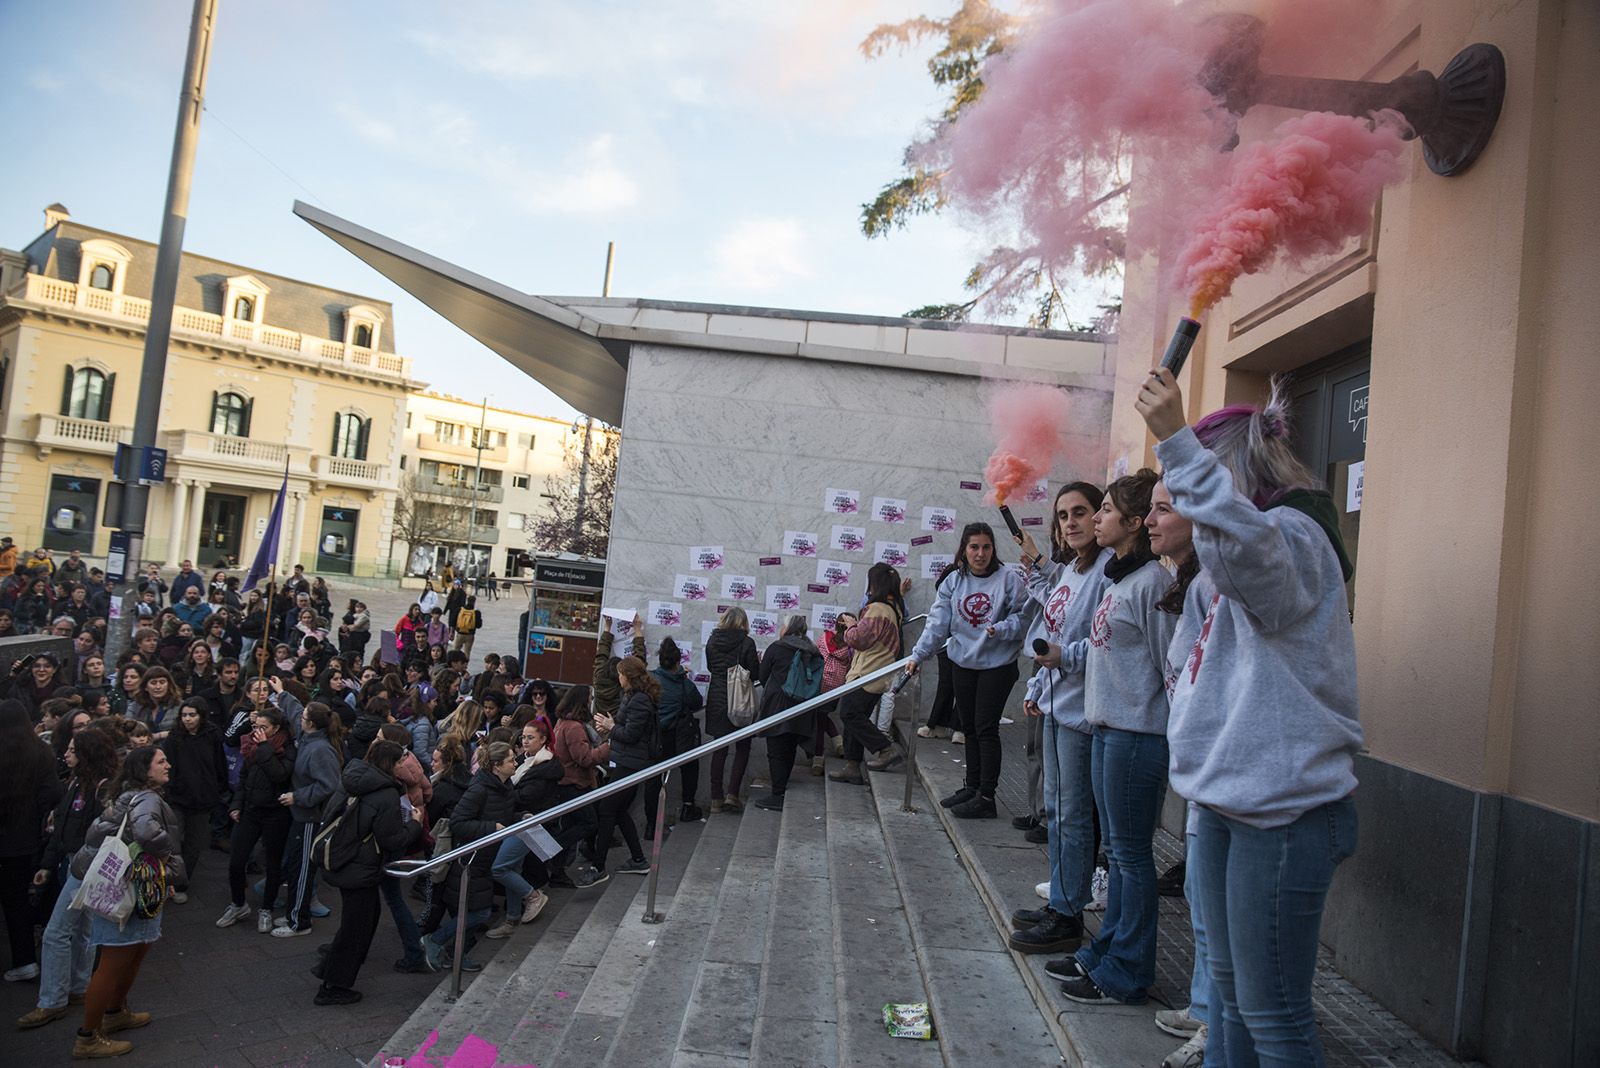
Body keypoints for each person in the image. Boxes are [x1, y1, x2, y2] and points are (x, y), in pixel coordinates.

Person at [1138, 371, 1361, 1066]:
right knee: (1230, 999)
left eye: (1201, 480)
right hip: (1229, 799)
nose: (1188, 509)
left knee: (1274, 1014)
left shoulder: (1291, 540)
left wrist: (1176, 439)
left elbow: (1246, 548)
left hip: (1283, 810)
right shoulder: (1236, 560)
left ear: (1230, 474)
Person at [1056, 469, 1175, 1008]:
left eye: (1104, 510)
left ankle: (1127, 970)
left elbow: (1169, 667)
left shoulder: (1152, 585)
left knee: (1130, 858)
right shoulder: (1120, 580)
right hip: (1108, 730)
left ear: (1132, 523)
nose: (1095, 518)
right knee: (1118, 854)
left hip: (1136, 737)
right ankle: (1106, 950)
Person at [1002, 482, 1112, 959]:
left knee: (1071, 815)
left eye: (1081, 512)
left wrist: (1062, 660)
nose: (1070, 522)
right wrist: (1034, 687)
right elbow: (1052, 619)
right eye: (1063, 514)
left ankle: (1067, 914)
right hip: (1054, 702)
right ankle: (1063, 902)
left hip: (1079, 710)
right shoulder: (1072, 569)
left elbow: (1101, 642)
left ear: (1102, 517)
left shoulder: (1108, 572)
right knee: (1058, 808)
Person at [68, 745, 184, 1059]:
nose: (168, 765)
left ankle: (115, 1012)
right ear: (144, 770)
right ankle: (88, 1037)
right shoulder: (146, 798)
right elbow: (148, 832)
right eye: (161, 761)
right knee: (113, 962)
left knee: (133, 951)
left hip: (130, 885)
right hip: (130, 888)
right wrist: (171, 862)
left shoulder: (128, 794)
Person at [907, 524, 1028, 818]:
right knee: (968, 727)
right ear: (964, 550)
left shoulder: (1009, 580)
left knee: (986, 728)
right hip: (962, 662)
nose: (980, 553)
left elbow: (1025, 618)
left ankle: (987, 796)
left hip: (997, 666)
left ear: (993, 550)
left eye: (986, 547)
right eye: (974, 547)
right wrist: (919, 654)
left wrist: (1000, 629)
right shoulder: (953, 581)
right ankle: (971, 786)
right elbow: (937, 622)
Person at [18, 727, 118, 1030]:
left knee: (56, 933)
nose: (66, 754)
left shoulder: (101, 789)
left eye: (73, 750)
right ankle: (77, 987)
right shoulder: (77, 783)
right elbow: (62, 827)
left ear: (86, 754)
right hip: (76, 863)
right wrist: (48, 864)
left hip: (86, 867)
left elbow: (97, 834)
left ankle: (51, 1001)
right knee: (83, 930)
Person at [315, 738, 425, 1005]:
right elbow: (392, 839)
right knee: (358, 927)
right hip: (360, 869)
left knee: (361, 919)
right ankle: (334, 986)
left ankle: (330, 968)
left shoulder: (353, 777)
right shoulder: (386, 794)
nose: (403, 765)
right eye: (399, 762)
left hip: (342, 861)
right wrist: (415, 825)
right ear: (388, 764)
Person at [424, 740, 516, 972]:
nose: (516, 763)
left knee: (473, 910)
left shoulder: (506, 786)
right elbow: (458, 822)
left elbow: (504, 816)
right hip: (472, 859)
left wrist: (521, 817)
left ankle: (455, 953)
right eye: (511, 760)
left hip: (485, 858)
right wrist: (490, 828)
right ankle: (435, 941)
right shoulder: (479, 789)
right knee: (479, 911)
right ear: (496, 765)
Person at [268, 684, 346, 938]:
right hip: (301, 817)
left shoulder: (320, 750)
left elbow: (328, 786)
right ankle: (294, 912)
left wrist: (297, 796)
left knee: (301, 871)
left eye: (303, 718)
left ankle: (299, 922)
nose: (298, 719)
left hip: (310, 818)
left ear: (310, 723)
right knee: (294, 866)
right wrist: (282, 693)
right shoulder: (309, 738)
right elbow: (294, 711)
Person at [216, 704, 296, 934]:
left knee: (272, 864)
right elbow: (244, 776)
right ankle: (238, 904)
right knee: (236, 861)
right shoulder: (251, 746)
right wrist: (236, 804)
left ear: (276, 728)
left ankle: (267, 909)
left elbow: (279, 774)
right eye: (255, 726)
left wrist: (263, 747)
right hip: (251, 810)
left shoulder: (286, 748)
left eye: (263, 727)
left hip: (275, 813)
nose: (257, 731)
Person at [0, 700, 63, 982]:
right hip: (26, 842)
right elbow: (51, 794)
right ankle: (25, 960)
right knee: (18, 902)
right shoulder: (41, 752)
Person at [829, 567, 907, 785]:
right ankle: (853, 766)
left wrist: (851, 625)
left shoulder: (877, 609)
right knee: (856, 716)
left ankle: (885, 749)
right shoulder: (894, 608)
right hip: (876, 672)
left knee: (849, 714)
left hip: (867, 672)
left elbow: (858, 640)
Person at [484, 721, 559, 939]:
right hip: (518, 821)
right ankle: (512, 919)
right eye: (523, 737)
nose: (525, 741)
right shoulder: (526, 761)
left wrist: (505, 795)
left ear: (543, 740)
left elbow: (526, 796)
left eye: (530, 738)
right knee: (511, 868)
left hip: (528, 823)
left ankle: (533, 896)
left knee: (500, 868)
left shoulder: (544, 765)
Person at [589, 657, 659, 875]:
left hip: (631, 763)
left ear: (628, 676)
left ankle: (598, 866)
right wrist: (610, 727)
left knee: (608, 809)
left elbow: (631, 734)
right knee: (618, 811)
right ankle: (638, 859)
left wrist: (611, 726)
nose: (618, 678)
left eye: (620, 674)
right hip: (626, 759)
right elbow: (625, 728)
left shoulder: (639, 700)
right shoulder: (632, 696)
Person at [752, 616, 823, 812]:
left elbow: (763, 676)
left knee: (775, 749)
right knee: (790, 748)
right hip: (802, 707)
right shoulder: (811, 648)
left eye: (782, 625)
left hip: (778, 706)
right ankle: (781, 787)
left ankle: (777, 793)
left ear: (788, 628)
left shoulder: (777, 647)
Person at [159, 700, 227, 904]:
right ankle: (166, 881)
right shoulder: (174, 738)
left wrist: (218, 788)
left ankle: (180, 883)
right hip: (178, 798)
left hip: (203, 798)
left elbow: (219, 762)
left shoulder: (212, 734)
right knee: (173, 841)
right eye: (184, 715)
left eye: (192, 715)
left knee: (194, 845)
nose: (187, 719)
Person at [547, 686, 609, 888]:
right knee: (588, 823)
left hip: (567, 783)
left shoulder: (563, 722)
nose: (592, 701)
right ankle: (554, 851)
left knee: (573, 825)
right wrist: (607, 748)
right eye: (590, 698)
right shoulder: (574, 727)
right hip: (573, 784)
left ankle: (557, 870)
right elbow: (584, 758)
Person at [702, 607, 759, 813]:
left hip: (717, 699)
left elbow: (711, 667)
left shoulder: (712, 641)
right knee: (743, 747)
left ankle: (715, 798)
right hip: (740, 701)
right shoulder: (747, 642)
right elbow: (755, 673)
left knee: (720, 749)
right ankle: (732, 794)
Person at [650, 639, 704, 823]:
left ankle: (651, 823)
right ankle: (688, 806)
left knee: (653, 776)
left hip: (655, 736)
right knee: (690, 767)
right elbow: (697, 702)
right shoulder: (684, 685)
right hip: (679, 736)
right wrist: (684, 677)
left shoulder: (651, 680)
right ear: (677, 661)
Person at [812, 612, 854, 775]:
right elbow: (851, 666)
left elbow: (814, 656)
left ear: (836, 625)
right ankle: (838, 742)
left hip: (819, 684)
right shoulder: (851, 647)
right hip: (836, 687)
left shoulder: (824, 638)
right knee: (822, 716)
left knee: (819, 721)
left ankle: (818, 758)